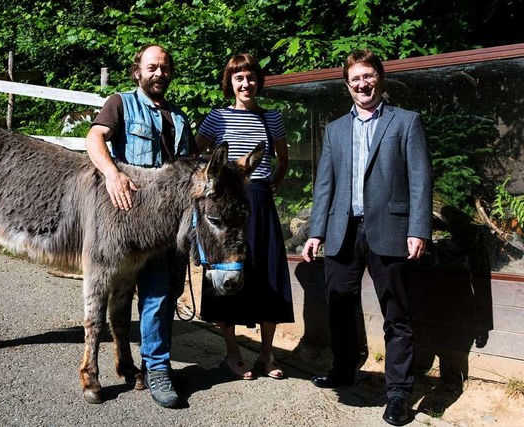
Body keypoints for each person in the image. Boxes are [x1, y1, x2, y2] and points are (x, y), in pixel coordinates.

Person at [301, 49, 432, 426]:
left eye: (369, 76)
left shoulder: (406, 122)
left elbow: (421, 179)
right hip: (343, 232)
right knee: (339, 305)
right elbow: (324, 185)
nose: (363, 84)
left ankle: (397, 394)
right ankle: (344, 370)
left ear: (380, 79)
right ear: (347, 85)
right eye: (356, 78)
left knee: (397, 315)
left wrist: (418, 228)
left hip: (391, 230)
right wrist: (316, 232)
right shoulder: (335, 129)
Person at [85, 44, 195, 408]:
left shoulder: (180, 118)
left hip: (167, 225)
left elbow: (190, 171)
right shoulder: (120, 103)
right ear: (138, 72)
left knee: (163, 295)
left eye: (164, 67)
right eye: (152, 67)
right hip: (128, 220)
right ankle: (154, 366)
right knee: (140, 294)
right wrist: (112, 174)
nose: (158, 73)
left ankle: (152, 364)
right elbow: (94, 138)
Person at [195, 53, 294, 381]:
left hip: (261, 204)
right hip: (226, 206)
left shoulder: (272, 118)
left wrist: (270, 188)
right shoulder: (217, 118)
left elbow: (283, 160)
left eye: (250, 77)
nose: (246, 83)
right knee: (227, 273)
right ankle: (233, 354)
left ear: (258, 81)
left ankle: (267, 354)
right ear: (230, 83)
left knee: (268, 276)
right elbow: (196, 157)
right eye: (238, 78)